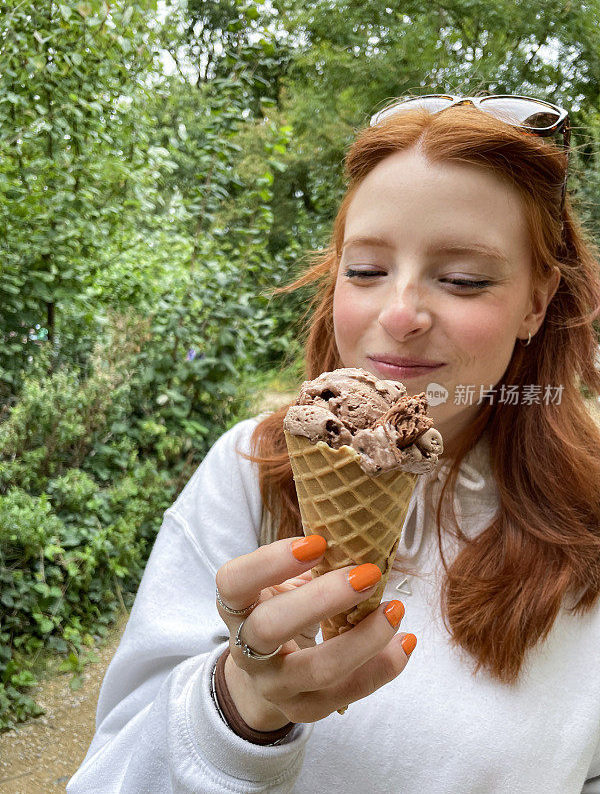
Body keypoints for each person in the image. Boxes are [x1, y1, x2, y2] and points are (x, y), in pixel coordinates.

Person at [68, 94, 600, 794]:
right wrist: (238, 708)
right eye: (366, 270)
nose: (399, 313)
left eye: (463, 280)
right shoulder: (250, 471)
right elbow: (109, 777)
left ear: (536, 302)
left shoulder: (588, 517)